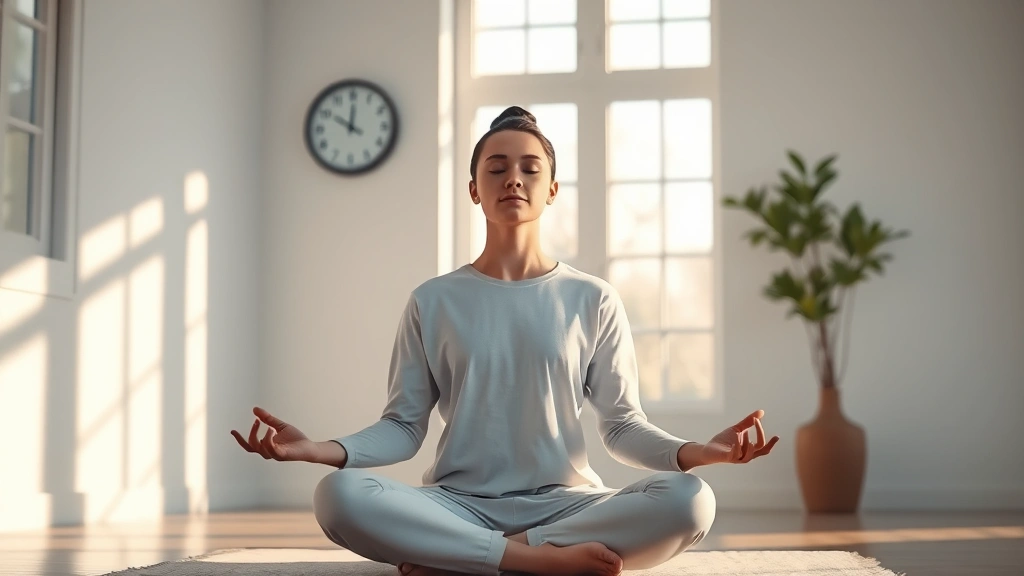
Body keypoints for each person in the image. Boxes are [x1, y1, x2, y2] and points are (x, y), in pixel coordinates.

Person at [231, 106, 779, 576]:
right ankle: (540, 563)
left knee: (689, 501)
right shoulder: (434, 300)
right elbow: (402, 427)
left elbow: (621, 427)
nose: (512, 178)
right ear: (475, 189)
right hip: (456, 505)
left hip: (569, 507)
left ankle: (481, 559)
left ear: (551, 189)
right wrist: (317, 450)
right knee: (338, 496)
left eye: (529, 168)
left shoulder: (592, 299)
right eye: (496, 168)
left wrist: (696, 453)